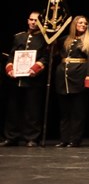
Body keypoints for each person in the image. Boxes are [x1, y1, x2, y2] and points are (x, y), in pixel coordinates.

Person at [0, 11, 49, 147]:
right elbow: (11, 56)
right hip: (16, 78)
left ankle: (31, 137)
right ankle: (11, 137)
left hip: (33, 79)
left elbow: (45, 58)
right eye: (31, 20)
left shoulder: (45, 39)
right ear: (28, 21)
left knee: (32, 110)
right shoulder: (19, 37)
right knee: (13, 109)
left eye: (36, 20)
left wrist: (36, 68)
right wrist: (10, 69)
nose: (33, 22)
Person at [54, 15, 89, 147]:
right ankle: (64, 139)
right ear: (74, 24)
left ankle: (75, 139)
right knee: (65, 112)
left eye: (85, 23)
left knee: (77, 111)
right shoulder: (64, 40)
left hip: (79, 78)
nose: (83, 25)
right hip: (63, 79)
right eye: (80, 23)